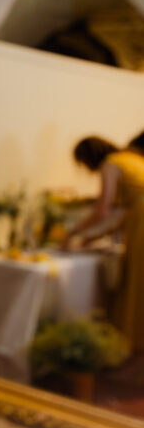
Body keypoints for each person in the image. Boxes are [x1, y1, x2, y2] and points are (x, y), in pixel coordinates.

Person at [68, 135, 144, 351]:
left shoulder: (110, 164)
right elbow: (119, 214)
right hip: (137, 215)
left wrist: (73, 233)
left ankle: (133, 342)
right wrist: (89, 238)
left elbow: (102, 211)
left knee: (136, 279)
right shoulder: (131, 160)